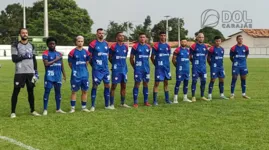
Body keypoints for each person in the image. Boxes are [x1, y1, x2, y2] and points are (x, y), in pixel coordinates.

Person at [10, 28, 40, 118]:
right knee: (16, 91)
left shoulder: (32, 45)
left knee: (31, 91)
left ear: (28, 34)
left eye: (26, 33)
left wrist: (36, 71)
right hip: (20, 72)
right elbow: (14, 59)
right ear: (20, 34)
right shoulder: (15, 45)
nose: (25, 34)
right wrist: (24, 56)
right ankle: (13, 112)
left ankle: (33, 110)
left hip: (30, 72)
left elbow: (34, 59)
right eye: (23, 33)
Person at [89, 28, 113, 111]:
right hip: (97, 69)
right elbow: (89, 57)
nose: (101, 34)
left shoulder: (106, 43)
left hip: (105, 69)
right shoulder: (93, 44)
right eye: (99, 33)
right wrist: (94, 66)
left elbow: (107, 56)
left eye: (102, 33)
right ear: (97, 34)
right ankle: (92, 106)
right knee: (95, 85)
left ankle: (107, 105)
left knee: (107, 85)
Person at [42, 37, 67, 115]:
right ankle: (45, 109)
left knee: (58, 92)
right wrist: (56, 59)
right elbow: (46, 64)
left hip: (57, 76)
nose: (52, 45)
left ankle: (58, 109)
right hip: (49, 76)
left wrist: (64, 75)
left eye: (53, 44)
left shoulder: (59, 54)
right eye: (50, 44)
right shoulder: (45, 53)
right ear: (48, 45)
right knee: (47, 92)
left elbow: (61, 65)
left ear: (55, 44)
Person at [68, 36, 91, 113]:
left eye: (81, 41)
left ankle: (83, 107)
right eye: (79, 41)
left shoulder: (86, 52)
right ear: (76, 42)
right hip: (75, 75)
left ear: (83, 42)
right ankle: (72, 108)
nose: (80, 43)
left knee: (85, 91)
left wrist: (82, 70)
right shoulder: (72, 52)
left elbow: (86, 63)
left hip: (84, 75)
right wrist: (75, 70)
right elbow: (70, 64)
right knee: (74, 91)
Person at [109, 32, 130, 108]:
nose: (122, 37)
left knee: (124, 86)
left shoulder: (126, 47)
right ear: (116, 38)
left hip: (124, 69)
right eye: (120, 36)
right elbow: (110, 57)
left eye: (123, 36)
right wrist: (115, 64)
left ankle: (122, 103)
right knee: (114, 86)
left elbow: (124, 57)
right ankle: (111, 104)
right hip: (116, 69)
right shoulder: (113, 47)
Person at [130, 33, 151, 108]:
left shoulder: (148, 47)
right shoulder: (135, 47)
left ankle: (146, 101)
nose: (142, 38)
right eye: (141, 37)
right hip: (138, 69)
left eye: (144, 37)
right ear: (139, 38)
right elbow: (131, 58)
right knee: (137, 84)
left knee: (146, 84)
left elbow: (147, 58)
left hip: (146, 69)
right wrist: (135, 67)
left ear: (146, 38)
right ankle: (135, 102)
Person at [151, 31, 172, 105]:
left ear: (166, 36)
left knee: (166, 83)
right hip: (159, 68)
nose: (163, 37)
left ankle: (167, 99)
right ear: (159, 36)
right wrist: (156, 65)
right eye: (162, 35)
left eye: (164, 35)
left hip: (166, 68)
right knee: (157, 83)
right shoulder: (156, 46)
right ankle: (155, 101)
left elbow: (168, 55)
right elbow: (152, 57)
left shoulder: (168, 46)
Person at [189, 33, 210, 102]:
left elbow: (206, 56)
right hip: (196, 67)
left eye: (202, 37)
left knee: (203, 81)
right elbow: (190, 57)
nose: (201, 38)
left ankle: (202, 96)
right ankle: (193, 96)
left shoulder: (205, 47)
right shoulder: (193, 46)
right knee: (194, 81)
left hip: (203, 67)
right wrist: (194, 62)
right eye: (200, 37)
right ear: (197, 38)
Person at [207, 36, 229, 100]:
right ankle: (209, 95)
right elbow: (208, 58)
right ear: (215, 41)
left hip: (221, 67)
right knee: (213, 80)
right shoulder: (211, 49)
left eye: (219, 41)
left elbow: (221, 58)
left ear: (221, 41)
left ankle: (222, 94)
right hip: (214, 67)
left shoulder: (222, 49)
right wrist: (212, 65)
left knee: (222, 80)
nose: (218, 42)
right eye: (217, 41)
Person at [230, 35, 251, 99]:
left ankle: (244, 94)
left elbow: (246, 55)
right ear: (236, 40)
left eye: (242, 39)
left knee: (243, 79)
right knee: (234, 79)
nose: (241, 40)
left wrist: (243, 61)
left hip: (243, 65)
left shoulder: (246, 47)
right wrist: (235, 62)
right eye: (239, 39)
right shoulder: (233, 48)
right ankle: (232, 94)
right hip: (236, 66)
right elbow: (231, 57)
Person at [172, 38, 192, 103]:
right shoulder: (177, 50)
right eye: (182, 42)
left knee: (186, 83)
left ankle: (185, 98)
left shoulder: (188, 50)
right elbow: (173, 60)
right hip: (180, 70)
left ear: (186, 43)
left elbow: (188, 59)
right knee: (178, 83)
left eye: (185, 42)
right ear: (180, 42)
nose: (184, 43)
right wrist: (177, 66)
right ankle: (175, 99)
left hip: (187, 70)